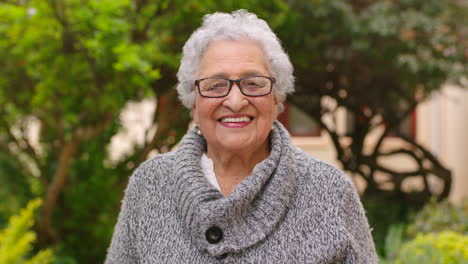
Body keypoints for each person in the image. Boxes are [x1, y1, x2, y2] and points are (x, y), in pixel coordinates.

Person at [105, 10, 378, 263]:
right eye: (215, 85)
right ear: (193, 103)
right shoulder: (150, 185)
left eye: (253, 84)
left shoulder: (329, 191)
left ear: (276, 98)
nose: (235, 101)